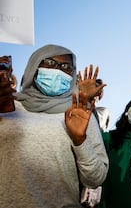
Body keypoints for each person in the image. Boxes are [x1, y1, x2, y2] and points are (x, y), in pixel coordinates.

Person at [0, 44, 109, 207]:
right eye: (50, 63)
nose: (58, 70)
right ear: (34, 66)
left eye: (66, 67)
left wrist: (80, 140)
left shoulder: (80, 113)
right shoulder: (6, 104)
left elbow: (95, 178)